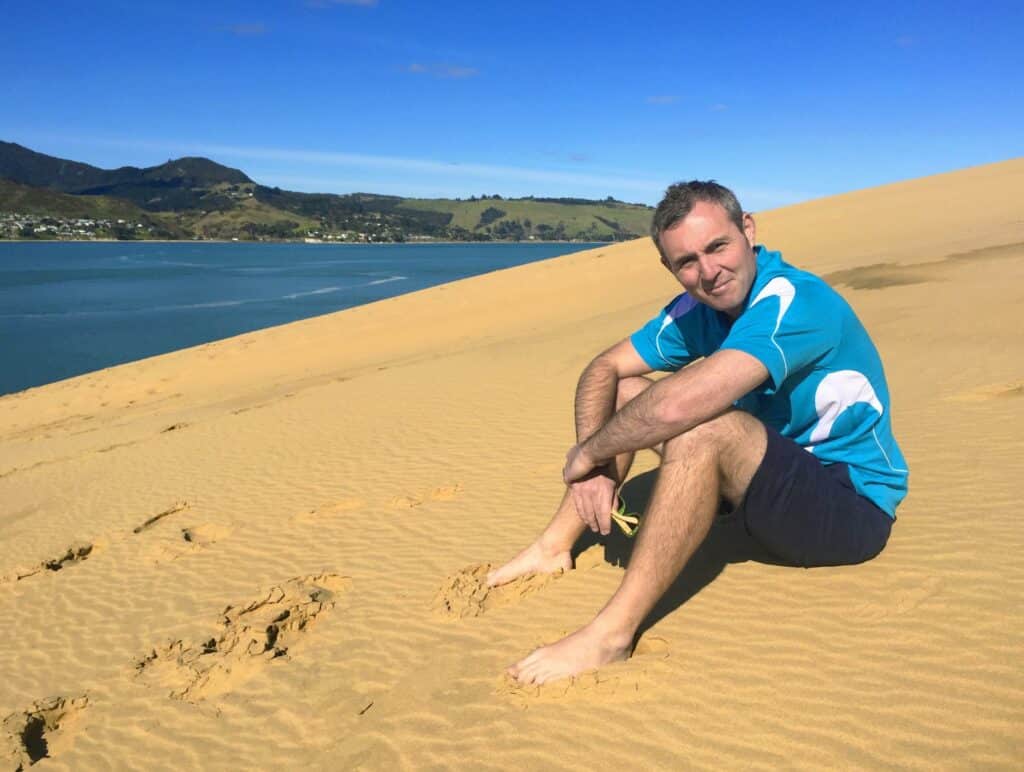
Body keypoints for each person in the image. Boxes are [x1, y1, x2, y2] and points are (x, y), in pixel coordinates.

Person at [490, 180, 909, 685]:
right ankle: (554, 546)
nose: (708, 272)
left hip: (846, 510)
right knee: (627, 392)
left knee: (701, 427)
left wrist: (589, 452)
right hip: (764, 490)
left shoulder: (795, 302)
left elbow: (680, 407)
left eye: (718, 246)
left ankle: (611, 636)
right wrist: (595, 471)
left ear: (748, 230)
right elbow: (604, 368)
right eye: (686, 261)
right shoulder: (699, 310)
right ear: (669, 268)